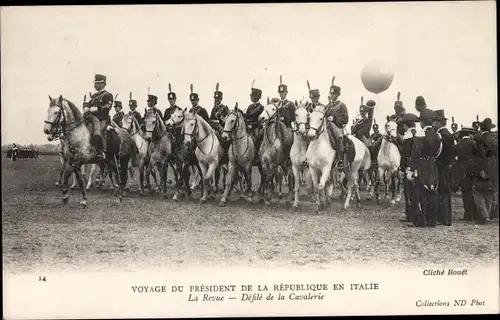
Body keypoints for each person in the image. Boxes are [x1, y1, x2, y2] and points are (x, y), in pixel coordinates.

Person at [407, 109, 441, 227]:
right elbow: (438, 152)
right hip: (433, 164)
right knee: (432, 191)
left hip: (422, 165)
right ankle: (432, 220)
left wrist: (411, 169)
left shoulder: (420, 135)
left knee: (420, 191)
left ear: (422, 122)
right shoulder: (437, 135)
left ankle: (421, 219)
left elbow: (415, 154)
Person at [472, 118, 498, 223]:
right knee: (488, 192)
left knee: (478, 192)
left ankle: (484, 216)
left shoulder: (479, 139)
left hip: (483, 167)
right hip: (493, 167)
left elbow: (480, 155)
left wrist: (480, 169)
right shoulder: (495, 139)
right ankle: (488, 214)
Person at [397, 113, 420, 223]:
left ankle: (410, 215)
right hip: (415, 167)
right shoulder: (417, 135)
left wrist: (402, 168)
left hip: (408, 167)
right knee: (413, 192)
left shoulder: (408, 137)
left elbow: (405, 154)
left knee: (409, 192)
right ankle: (413, 214)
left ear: (406, 126)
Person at [433, 109, 454, 226]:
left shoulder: (440, 135)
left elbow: (438, 153)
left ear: (438, 123)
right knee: (446, 192)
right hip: (447, 166)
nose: (433, 124)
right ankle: (447, 218)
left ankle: (443, 218)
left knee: (442, 192)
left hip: (441, 166)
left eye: (434, 122)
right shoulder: (448, 133)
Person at [86, 74, 114, 159]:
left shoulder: (108, 95)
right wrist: (86, 107)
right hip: (90, 119)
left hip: (102, 119)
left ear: (103, 84)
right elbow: (88, 103)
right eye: (95, 83)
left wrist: (96, 108)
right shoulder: (94, 96)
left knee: (100, 131)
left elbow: (108, 106)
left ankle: (101, 151)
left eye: (97, 83)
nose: (95, 85)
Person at [454, 127, 478, 221]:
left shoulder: (458, 145)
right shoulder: (474, 143)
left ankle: (467, 214)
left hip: (462, 171)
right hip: (473, 170)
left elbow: (455, 158)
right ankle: (475, 214)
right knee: (474, 192)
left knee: (465, 193)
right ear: (469, 134)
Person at [325, 80, 349, 172]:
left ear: (337, 95)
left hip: (337, 127)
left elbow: (345, 119)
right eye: (330, 94)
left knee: (339, 137)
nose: (331, 95)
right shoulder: (327, 106)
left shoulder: (342, 106)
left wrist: (334, 119)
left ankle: (340, 160)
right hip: (327, 126)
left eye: (333, 94)